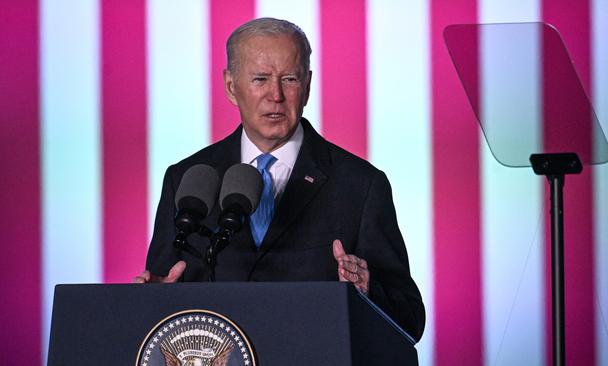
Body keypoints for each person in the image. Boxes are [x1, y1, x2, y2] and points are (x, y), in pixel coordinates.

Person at [135, 17, 425, 341]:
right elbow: (161, 294)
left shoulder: (360, 186)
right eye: (260, 79)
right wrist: (152, 300)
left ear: (308, 86)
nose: (276, 95)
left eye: (289, 79)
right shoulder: (187, 180)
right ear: (231, 87)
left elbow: (410, 319)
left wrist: (367, 290)